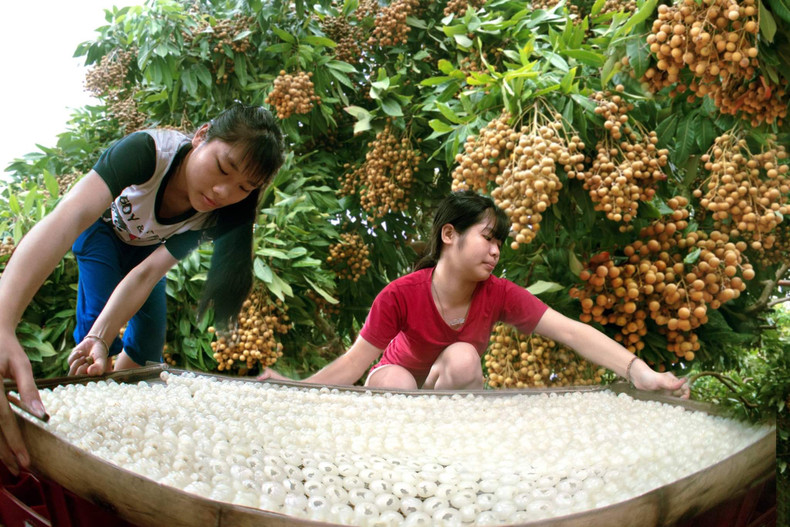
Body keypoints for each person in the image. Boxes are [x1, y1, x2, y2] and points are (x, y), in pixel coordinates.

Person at [0, 102, 285, 474]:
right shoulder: (148, 152)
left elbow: (146, 275)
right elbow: (68, 218)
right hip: (101, 230)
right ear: (201, 136)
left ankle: (120, 430)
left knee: (147, 352)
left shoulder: (216, 215)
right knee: (95, 321)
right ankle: (74, 426)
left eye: (243, 187)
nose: (222, 190)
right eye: (222, 168)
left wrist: (103, 339)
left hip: (144, 253)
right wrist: (4, 321)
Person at [260, 190, 689, 397]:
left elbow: (572, 332)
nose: (496, 250)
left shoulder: (498, 294)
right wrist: (294, 392)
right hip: (396, 397)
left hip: (455, 399)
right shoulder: (399, 295)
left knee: (464, 355)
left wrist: (639, 371)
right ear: (450, 234)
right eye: (488, 238)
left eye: (500, 241)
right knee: (393, 377)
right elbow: (355, 363)